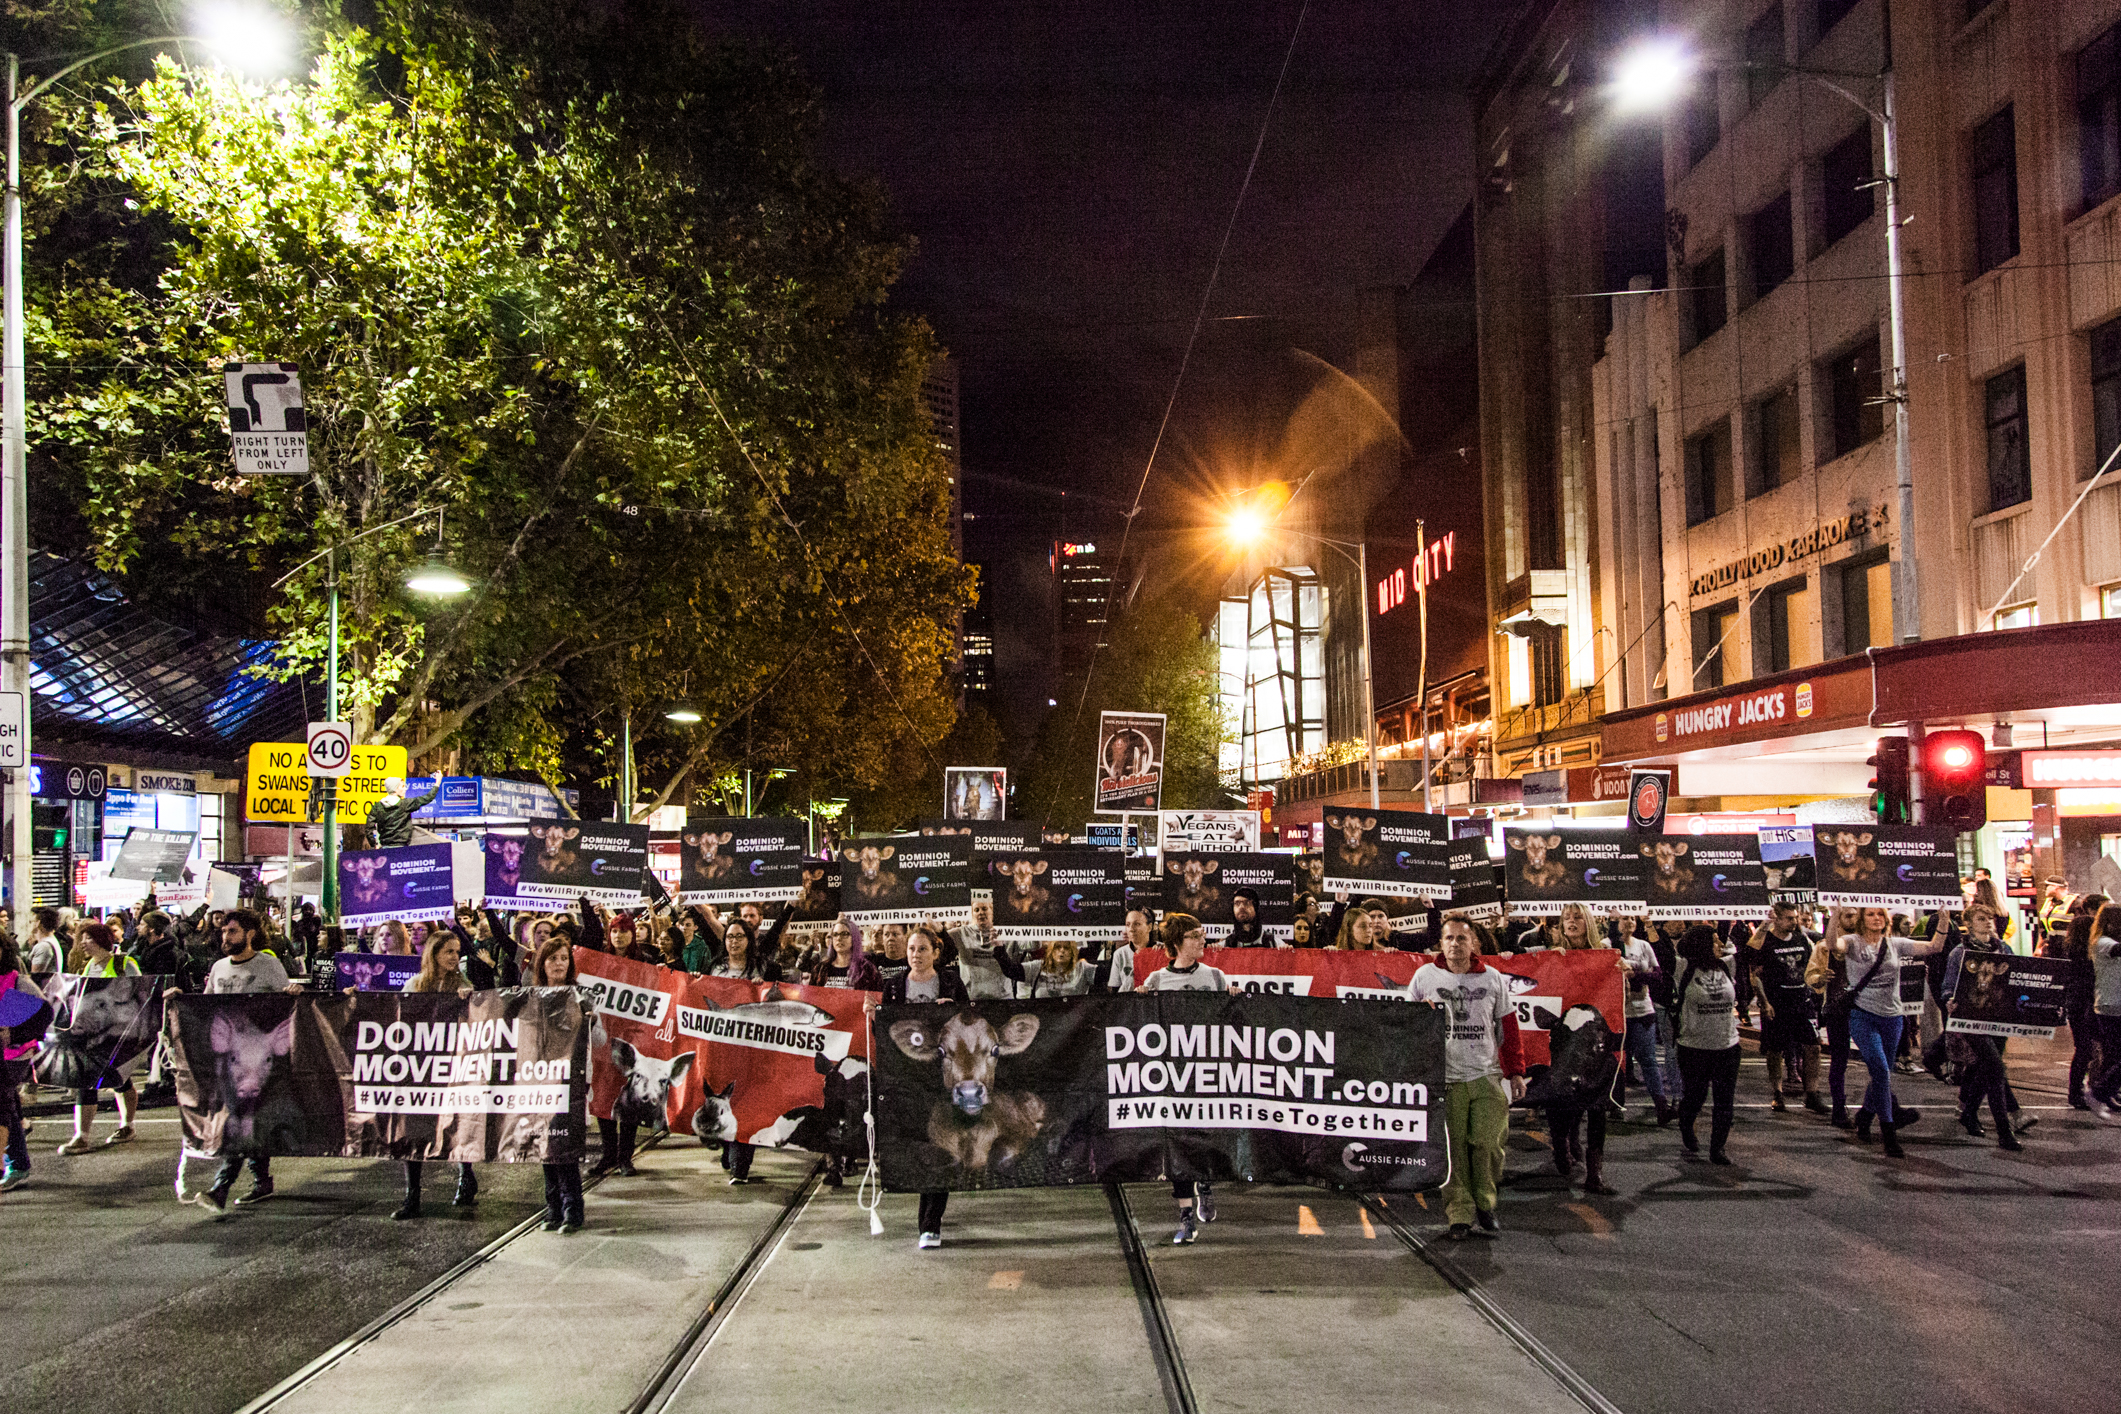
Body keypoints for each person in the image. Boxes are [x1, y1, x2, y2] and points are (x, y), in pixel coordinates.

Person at [1407, 913, 1525, 1238]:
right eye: (1449, 938)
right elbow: (1407, 1025)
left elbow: (1509, 1028)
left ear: (1473, 942)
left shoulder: (1492, 978)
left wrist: (1516, 1073)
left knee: (1488, 1144)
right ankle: (1459, 1214)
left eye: (1462, 938)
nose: (1456, 944)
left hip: (1486, 1075)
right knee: (1453, 1150)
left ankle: (1484, 1202)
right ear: (1440, 943)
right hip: (1445, 1079)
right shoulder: (1423, 978)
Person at [1137, 913, 1239, 1244]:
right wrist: (1138, 1002)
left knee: (1206, 1139)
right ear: (1178, 941)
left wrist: (1235, 999)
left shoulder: (1214, 976)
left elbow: (1231, 1019)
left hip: (1206, 1076)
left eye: (1203, 935)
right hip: (1172, 1079)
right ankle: (1185, 1216)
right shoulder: (1156, 980)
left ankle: (1205, 1183)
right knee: (1176, 1146)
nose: (1203, 941)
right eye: (1196, 936)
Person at [198, 910, 304, 1215]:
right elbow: (206, 1006)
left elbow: (285, 1003)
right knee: (243, 1121)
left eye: (232, 931)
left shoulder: (268, 966)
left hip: (259, 1063)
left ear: (250, 934)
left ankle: (223, 1187)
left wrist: (293, 993)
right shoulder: (219, 968)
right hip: (232, 1065)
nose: (225, 937)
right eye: (223, 932)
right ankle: (260, 1180)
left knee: (244, 1121)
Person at [869, 926, 969, 1247]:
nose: (915, 954)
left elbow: (970, 1023)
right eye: (911, 949)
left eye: (922, 949)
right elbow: (886, 1037)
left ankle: (930, 1223)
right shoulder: (894, 986)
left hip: (944, 1078)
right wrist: (874, 1017)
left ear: (936, 953)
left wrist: (952, 1008)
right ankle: (926, 1216)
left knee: (942, 1142)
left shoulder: (951, 981)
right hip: (908, 1082)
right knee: (917, 1145)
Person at [1832, 908, 1942, 1156]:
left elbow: (1935, 947)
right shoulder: (1852, 942)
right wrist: (1833, 915)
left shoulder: (1896, 944)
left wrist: (1943, 919)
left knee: (1882, 1074)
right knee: (1881, 1069)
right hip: (1863, 1015)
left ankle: (1864, 1115)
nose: (1876, 918)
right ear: (1862, 919)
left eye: (1880, 914)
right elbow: (1832, 945)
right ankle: (1889, 1133)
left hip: (1893, 1018)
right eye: (1870, 914)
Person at [395, 931, 479, 1219]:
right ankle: (412, 1195)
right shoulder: (415, 985)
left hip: (452, 1067)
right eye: (449, 952)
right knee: (414, 1128)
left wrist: (470, 1003)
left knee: (456, 1124)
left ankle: (466, 1176)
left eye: (457, 952)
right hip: (420, 1068)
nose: (456, 958)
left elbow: (477, 1023)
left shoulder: (464, 985)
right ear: (434, 954)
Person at [54, 923, 145, 1155]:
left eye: (88, 938)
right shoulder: (88, 967)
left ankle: (126, 1125)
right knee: (89, 1079)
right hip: (93, 1036)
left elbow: (142, 992)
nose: (83, 943)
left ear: (101, 940)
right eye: (81, 938)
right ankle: (83, 1136)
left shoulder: (124, 963)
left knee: (119, 1078)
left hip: (120, 1033)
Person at [1942, 903, 2023, 1150]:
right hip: (1971, 1018)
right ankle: (2004, 1131)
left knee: (1985, 1068)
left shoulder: (2003, 948)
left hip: (1998, 1017)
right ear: (1969, 923)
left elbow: (2014, 978)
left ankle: (1969, 1113)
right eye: (1981, 918)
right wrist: (1949, 1000)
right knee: (1996, 1068)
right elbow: (1948, 984)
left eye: (1989, 917)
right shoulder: (1960, 952)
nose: (1988, 921)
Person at [528, 936, 587, 1230]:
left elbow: (595, 1039)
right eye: (553, 959)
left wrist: (591, 1018)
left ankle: (572, 1210)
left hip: (569, 1084)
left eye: (564, 958)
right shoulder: (529, 996)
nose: (559, 964)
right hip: (537, 1081)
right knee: (544, 1147)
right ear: (543, 963)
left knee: (564, 1146)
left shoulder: (581, 996)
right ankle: (552, 1208)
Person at [1747, 903, 1826, 1116]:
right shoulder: (1766, 942)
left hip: (1802, 1000)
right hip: (1777, 1002)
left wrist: (1817, 984)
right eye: (1789, 918)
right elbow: (1755, 974)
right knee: (1775, 1050)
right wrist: (1764, 1002)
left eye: (1795, 918)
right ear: (1778, 919)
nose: (1794, 922)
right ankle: (1778, 1092)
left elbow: (1813, 964)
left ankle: (1812, 1093)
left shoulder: (1801, 939)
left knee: (1813, 1046)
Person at [1672, 925, 1741, 1165]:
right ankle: (1686, 1122)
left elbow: (1751, 951)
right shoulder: (1684, 967)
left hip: (1727, 1045)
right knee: (1695, 1096)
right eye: (1714, 941)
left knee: (1725, 1101)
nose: (1719, 945)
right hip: (1694, 1047)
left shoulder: (1726, 965)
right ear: (1702, 945)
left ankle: (1718, 1148)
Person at [1806, 907, 1862, 1128]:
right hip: (1838, 1011)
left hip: (1865, 1009)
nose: (1853, 919)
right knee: (1839, 1062)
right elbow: (1810, 977)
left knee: (1879, 1062)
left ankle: (1882, 1107)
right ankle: (1839, 1109)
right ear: (1837, 920)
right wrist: (1821, 978)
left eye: (1856, 914)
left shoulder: (1863, 943)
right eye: (1848, 915)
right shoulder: (1823, 947)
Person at [1612, 915, 1669, 1125]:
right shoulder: (1607, 945)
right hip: (1617, 1013)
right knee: (1617, 1061)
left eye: (1632, 919)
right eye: (1624, 918)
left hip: (1642, 1010)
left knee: (1648, 1059)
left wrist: (1635, 975)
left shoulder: (1643, 945)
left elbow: (1657, 975)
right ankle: (1615, 1105)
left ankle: (1661, 1105)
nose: (1629, 922)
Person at [1, 934, 44, 1190]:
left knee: (4, 1106)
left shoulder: (16, 980)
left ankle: (15, 1164)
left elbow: (42, 1015)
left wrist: (14, 1035)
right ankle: (17, 1164)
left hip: (15, 1055)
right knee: (10, 1108)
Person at [2087, 904, 2121, 1121]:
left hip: (2114, 1005)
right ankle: (2099, 1092)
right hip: (2110, 1007)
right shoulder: (2102, 943)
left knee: (2114, 1055)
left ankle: (2104, 1093)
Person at [997, 937, 1096, 997]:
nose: (1062, 950)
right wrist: (998, 947)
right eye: (1057, 947)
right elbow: (1010, 970)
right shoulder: (1037, 967)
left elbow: (1109, 975)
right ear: (1051, 951)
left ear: (1074, 951)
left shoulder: (1083, 968)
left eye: (1066, 948)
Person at [807, 918, 883, 991]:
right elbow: (811, 999)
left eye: (844, 934)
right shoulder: (820, 969)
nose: (839, 938)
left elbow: (877, 998)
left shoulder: (867, 969)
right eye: (835, 934)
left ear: (854, 938)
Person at [367, 776, 441, 848]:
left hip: (385, 848)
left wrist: (373, 844)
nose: (405, 789)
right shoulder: (405, 804)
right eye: (402, 786)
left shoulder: (377, 807)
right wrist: (437, 782)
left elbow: (369, 827)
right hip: (402, 848)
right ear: (395, 789)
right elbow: (427, 798)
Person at [1105, 906, 1153, 992]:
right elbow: (1114, 988)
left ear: (1149, 927)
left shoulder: (1163, 951)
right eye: (1128, 924)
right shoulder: (1120, 954)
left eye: (1137, 924)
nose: (1131, 929)